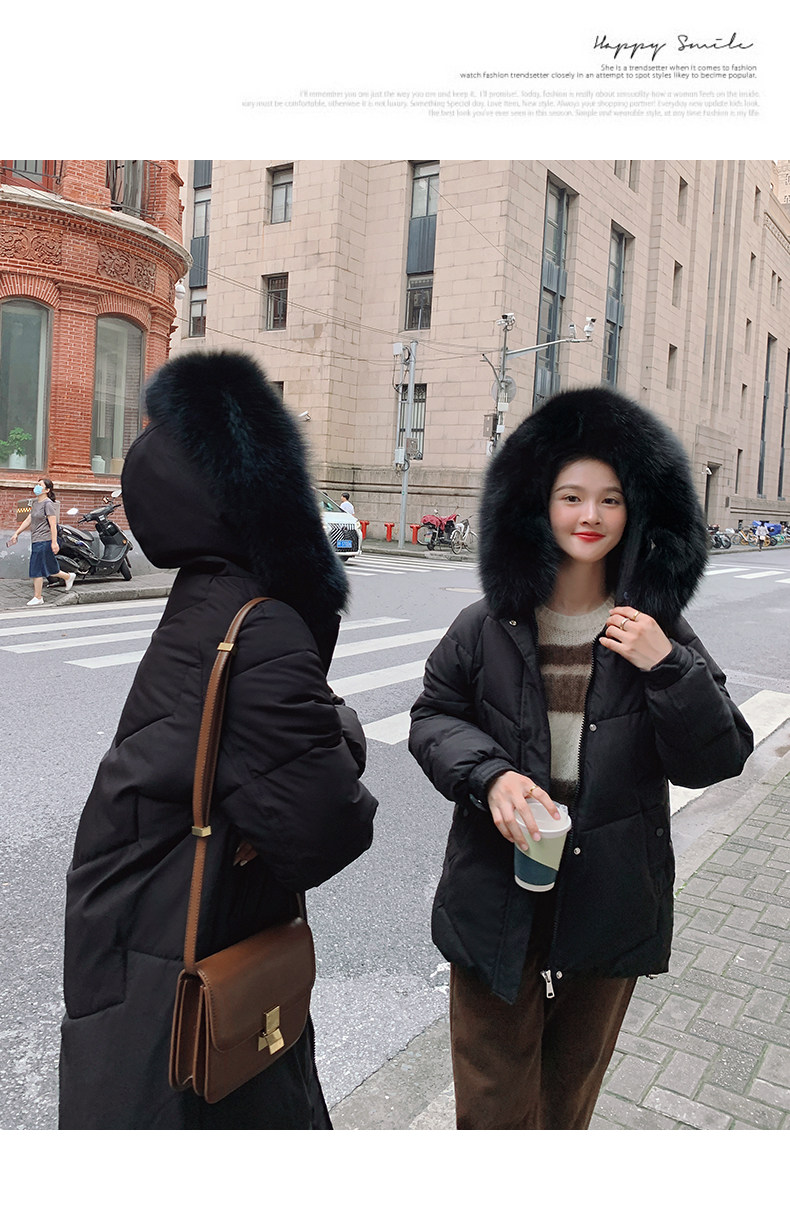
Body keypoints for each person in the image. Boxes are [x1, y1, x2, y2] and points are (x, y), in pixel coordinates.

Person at [409, 386, 753, 1130]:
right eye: (571, 496)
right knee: (494, 1112)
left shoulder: (657, 630)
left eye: (610, 499)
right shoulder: (486, 625)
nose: (589, 515)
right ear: (538, 505)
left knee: (567, 1107)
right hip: (496, 887)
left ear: (637, 512)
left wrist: (668, 668)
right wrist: (490, 777)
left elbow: (718, 757)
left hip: (610, 895)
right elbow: (433, 715)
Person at [59, 350, 378, 1129]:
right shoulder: (259, 624)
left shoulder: (206, 596)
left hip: (136, 937)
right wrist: (342, 725)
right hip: (180, 960)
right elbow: (329, 824)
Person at [7, 477, 76, 604]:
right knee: (50, 567)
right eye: (36, 484)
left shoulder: (48, 504)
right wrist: (17, 533)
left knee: (36, 568)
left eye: (40, 485)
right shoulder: (35, 503)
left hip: (44, 540)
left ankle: (38, 597)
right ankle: (68, 576)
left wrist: (54, 542)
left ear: (47, 490)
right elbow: (29, 519)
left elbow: (53, 525)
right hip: (36, 540)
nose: (36, 487)